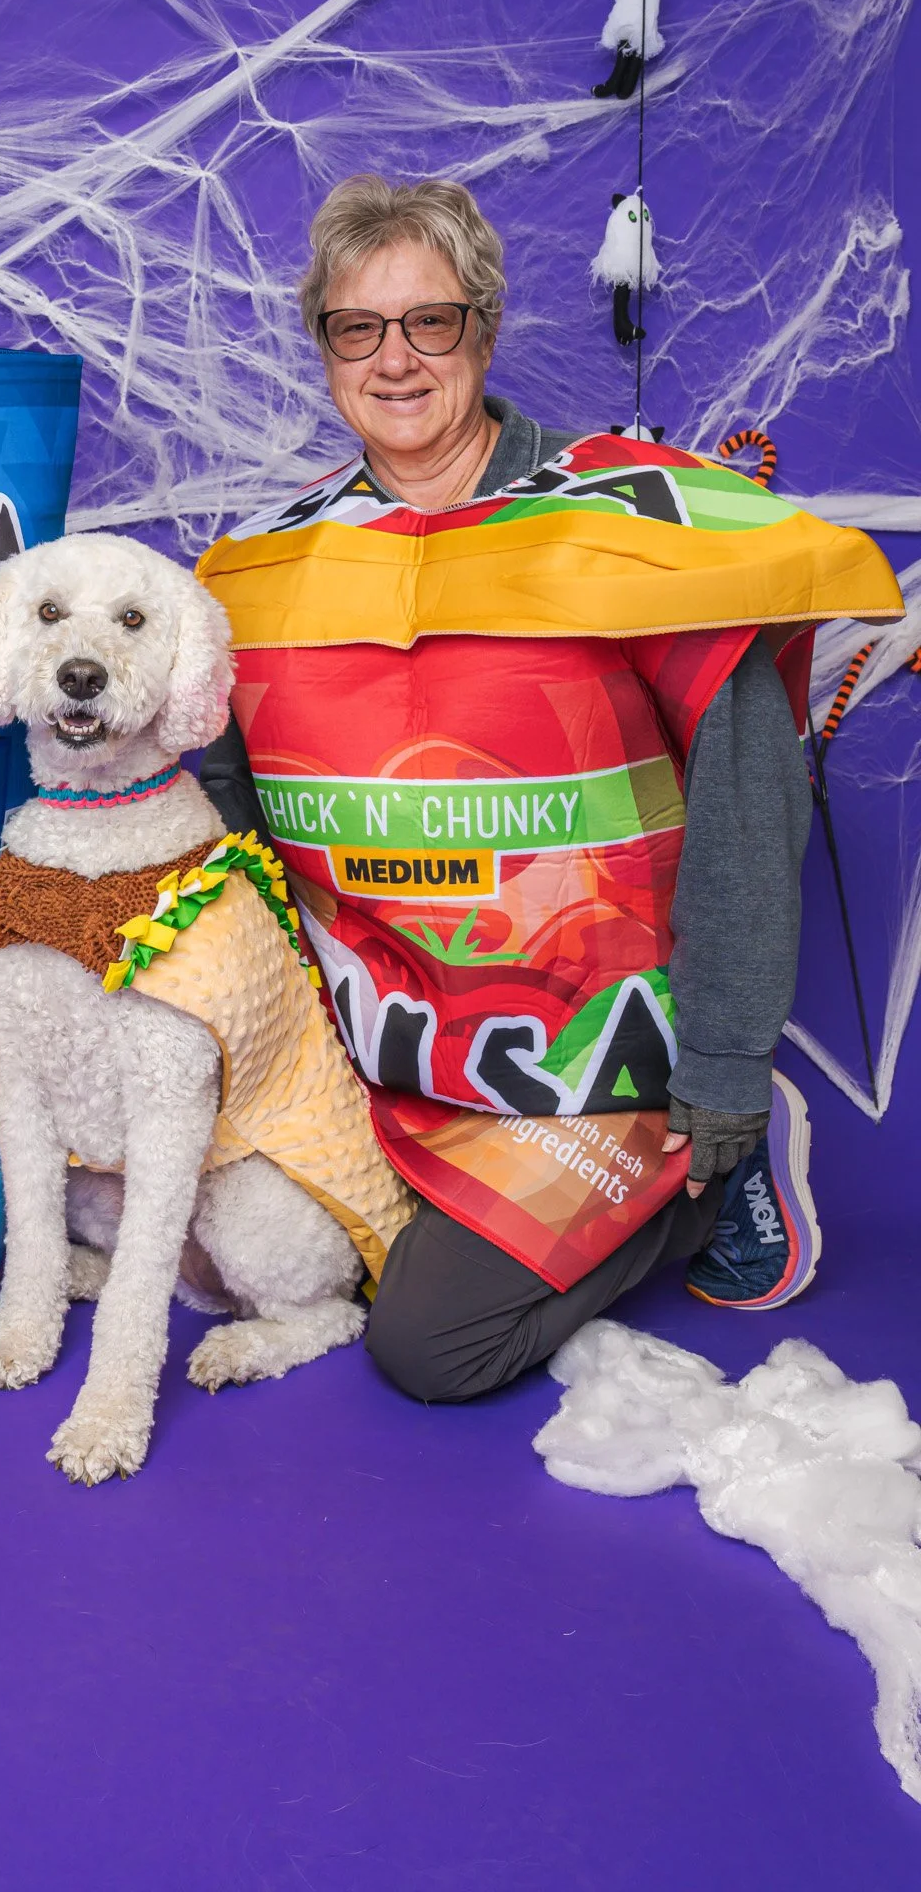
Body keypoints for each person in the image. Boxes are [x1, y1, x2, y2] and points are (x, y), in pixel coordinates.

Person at [197, 175, 902, 1403]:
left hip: (595, 1054)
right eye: (357, 328)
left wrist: (727, 1063)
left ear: (486, 325)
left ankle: (706, 1182)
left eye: (433, 320)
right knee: (289, 1252)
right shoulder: (264, 565)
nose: (395, 359)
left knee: (424, 1346)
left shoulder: (632, 525)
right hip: (390, 1046)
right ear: (322, 349)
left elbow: (748, 797)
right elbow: (227, 818)